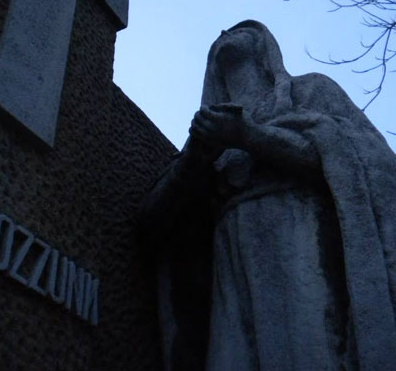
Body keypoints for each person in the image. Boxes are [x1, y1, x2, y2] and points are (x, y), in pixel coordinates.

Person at [140, 20, 396, 371]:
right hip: (230, 257)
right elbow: (152, 221)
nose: (225, 33)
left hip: (300, 236)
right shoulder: (204, 131)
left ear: (265, 49)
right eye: (222, 34)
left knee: (309, 349)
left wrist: (250, 136)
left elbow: (355, 157)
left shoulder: (310, 90)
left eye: (243, 29)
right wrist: (195, 159)